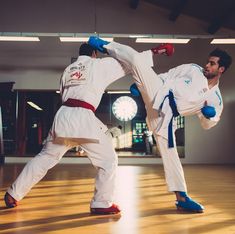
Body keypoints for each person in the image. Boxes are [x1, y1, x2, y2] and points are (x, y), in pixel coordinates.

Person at [88, 36, 232, 213]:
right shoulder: (193, 69)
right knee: (137, 61)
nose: (207, 66)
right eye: (208, 62)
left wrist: (208, 116)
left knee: (171, 156)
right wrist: (142, 85)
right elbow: (168, 76)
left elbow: (208, 123)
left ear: (221, 69)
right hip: (158, 91)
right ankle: (105, 45)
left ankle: (182, 198)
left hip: (165, 117)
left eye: (212, 64)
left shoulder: (215, 99)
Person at [4, 43, 130, 215]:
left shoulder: (68, 70)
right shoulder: (97, 64)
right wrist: (152, 53)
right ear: (94, 53)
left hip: (63, 117)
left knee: (45, 157)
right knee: (108, 160)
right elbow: (127, 62)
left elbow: (63, 93)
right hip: (83, 118)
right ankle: (101, 202)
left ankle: (13, 193)